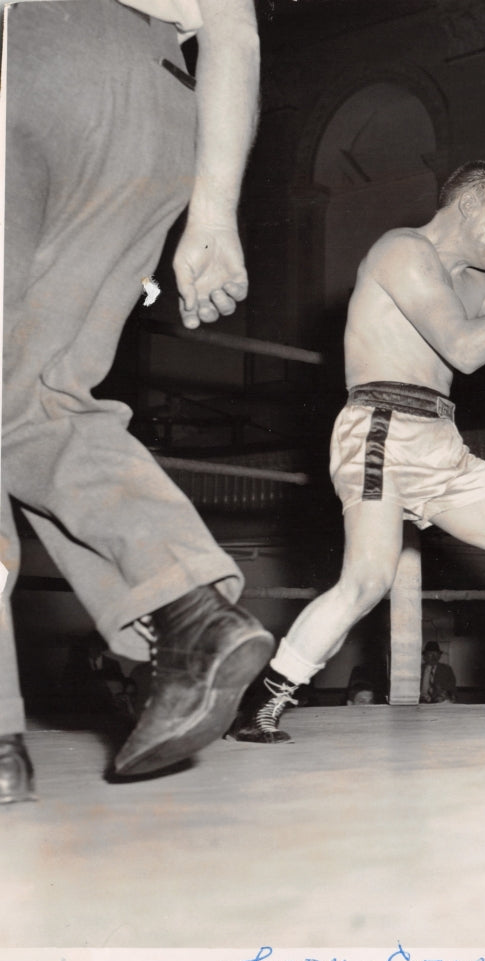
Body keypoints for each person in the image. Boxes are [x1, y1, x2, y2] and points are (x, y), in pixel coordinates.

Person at [227, 164, 485, 742]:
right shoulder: (402, 250)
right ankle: (263, 703)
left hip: (441, 442)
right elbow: (465, 351)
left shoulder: (476, 282)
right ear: (470, 204)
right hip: (382, 429)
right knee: (366, 581)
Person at [1, 0, 274, 798]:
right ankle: (187, 607)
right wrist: (215, 211)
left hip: (28, 56)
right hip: (156, 101)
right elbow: (236, 28)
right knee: (33, 397)